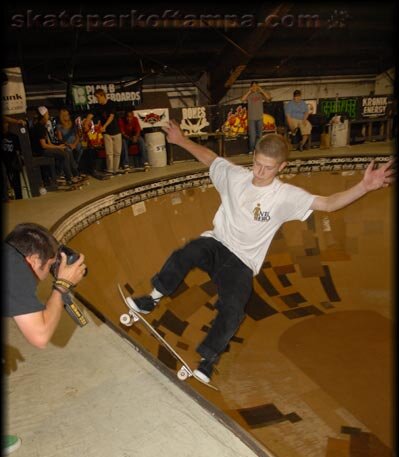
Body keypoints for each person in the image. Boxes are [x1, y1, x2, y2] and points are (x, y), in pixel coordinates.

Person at [127, 120, 394, 383]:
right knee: (187, 253)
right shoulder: (235, 177)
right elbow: (210, 158)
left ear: (281, 167)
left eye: (268, 169)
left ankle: (208, 360)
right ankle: (152, 297)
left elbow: (328, 203)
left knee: (234, 309)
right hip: (217, 243)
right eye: (257, 164)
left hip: (242, 262)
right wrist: (180, 140)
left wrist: (364, 187)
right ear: (253, 156)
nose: (259, 172)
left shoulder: (286, 195)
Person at [2, 223, 87, 454]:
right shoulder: (15, 269)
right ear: (31, 259)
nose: (44, 276)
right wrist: (61, 286)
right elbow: (40, 336)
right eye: (49, 266)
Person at [29, 106, 82, 187]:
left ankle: (73, 175)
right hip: (41, 151)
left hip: (45, 149)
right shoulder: (39, 127)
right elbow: (44, 145)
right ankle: (68, 178)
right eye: (47, 114)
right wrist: (58, 148)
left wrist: (59, 146)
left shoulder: (43, 126)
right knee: (64, 154)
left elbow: (49, 143)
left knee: (65, 150)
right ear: (43, 116)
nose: (48, 116)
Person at [83, 89, 123, 175]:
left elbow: (111, 117)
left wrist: (104, 126)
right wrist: (86, 123)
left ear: (102, 95)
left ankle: (115, 170)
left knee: (117, 153)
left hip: (116, 131)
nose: (97, 99)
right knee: (109, 153)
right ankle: (110, 170)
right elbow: (90, 115)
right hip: (106, 133)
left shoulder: (111, 103)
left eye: (98, 97)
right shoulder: (97, 106)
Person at [241, 81, 272, 153]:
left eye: (256, 86)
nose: (255, 87)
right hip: (251, 118)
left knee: (260, 136)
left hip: (259, 118)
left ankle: (257, 150)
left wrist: (261, 90)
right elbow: (242, 99)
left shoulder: (260, 94)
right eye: (253, 86)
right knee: (252, 136)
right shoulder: (249, 95)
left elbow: (268, 98)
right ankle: (251, 150)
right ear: (251, 87)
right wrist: (249, 91)